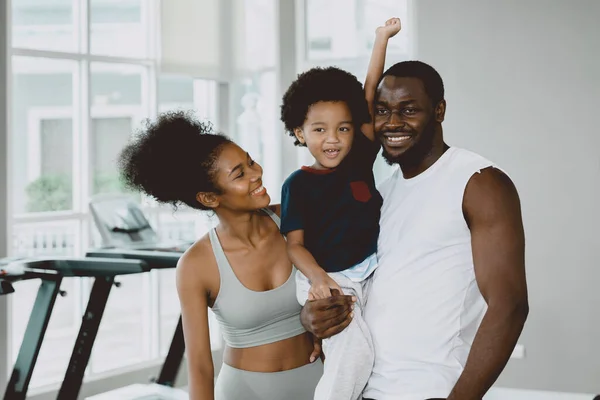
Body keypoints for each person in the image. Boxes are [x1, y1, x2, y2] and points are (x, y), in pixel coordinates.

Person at [300, 60, 529, 400]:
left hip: (430, 390)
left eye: (408, 110)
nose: (392, 123)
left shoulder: (479, 182)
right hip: (365, 390)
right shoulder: (384, 193)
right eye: (382, 110)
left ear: (439, 110)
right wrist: (313, 317)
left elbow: (509, 305)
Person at [118, 111, 323, 400]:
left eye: (250, 161)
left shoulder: (294, 219)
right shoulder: (195, 265)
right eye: (240, 173)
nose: (256, 173)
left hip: (320, 383)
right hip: (244, 392)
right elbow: (200, 366)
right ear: (210, 198)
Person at [280, 17, 401, 400]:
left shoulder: (359, 161)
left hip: (367, 271)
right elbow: (294, 245)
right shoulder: (296, 185)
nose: (332, 139)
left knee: (376, 353)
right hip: (329, 279)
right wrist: (319, 279)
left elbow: (368, 95)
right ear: (300, 133)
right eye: (319, 130)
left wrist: (381, 39)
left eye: (343, 129)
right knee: (354, 352)